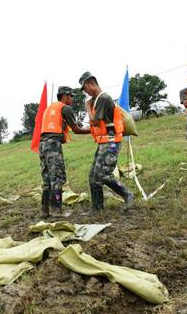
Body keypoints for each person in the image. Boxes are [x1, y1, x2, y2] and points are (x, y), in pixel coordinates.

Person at [79, 71, 134, 214]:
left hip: (110, 142)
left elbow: (95, 121)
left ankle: (127, 194)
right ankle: (97, 209)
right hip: (104, 142)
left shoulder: (103, 98)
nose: (85, 92)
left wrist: (87, 107)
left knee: (103, 174)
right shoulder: (97, 99)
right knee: (93, 175)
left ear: (91, 83)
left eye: (85, 88)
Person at [39, 86, 91, 217]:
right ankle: (57, 210)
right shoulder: (65, 108)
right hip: (53, 146)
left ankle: (44, 210)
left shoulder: (49, 109)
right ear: (64, 96)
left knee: (46, 179)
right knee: (56, 177)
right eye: (71, 96)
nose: (72, 99)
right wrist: (94, 130)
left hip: (42, 145)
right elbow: (77, 130)